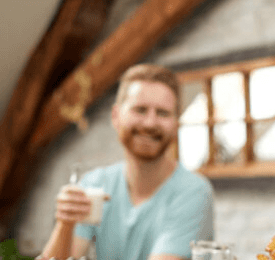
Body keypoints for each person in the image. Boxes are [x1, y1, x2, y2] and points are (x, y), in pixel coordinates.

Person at [41, 64, 215, 260]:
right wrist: (65, 224)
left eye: (163, 113)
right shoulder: (95, 185)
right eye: (140, 110)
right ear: (116, 117)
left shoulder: (193, 192)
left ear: (176, 124)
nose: (150, 123)